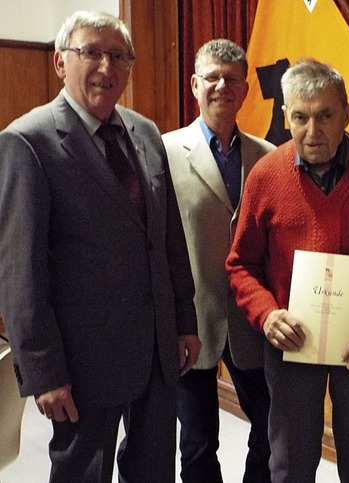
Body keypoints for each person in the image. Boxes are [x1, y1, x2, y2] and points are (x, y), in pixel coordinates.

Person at [0, 11, 201, 483]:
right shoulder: (27, 142)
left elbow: (168, 238)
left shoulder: (145, 132)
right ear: (59, 62)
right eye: (91, 52)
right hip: (81, 360)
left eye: (118, 56)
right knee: (81, 474)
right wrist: (43, 371)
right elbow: (19, 273)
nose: (106, 67)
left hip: (156, 348)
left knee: (153, 470)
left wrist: (185, 320)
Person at [226, 59, 349, 483]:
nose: (312, 131)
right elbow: (240, 264)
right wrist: (266, 315)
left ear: (347, 114)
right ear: (285, 117)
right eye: (300, 117)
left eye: (325, 116)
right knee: (289, 463)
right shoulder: (266, 175)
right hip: (292, 343)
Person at [162, 39, 274, 483]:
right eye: (212, 77)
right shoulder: (164, 150)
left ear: (245, 90)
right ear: (194, 84)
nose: (221, 86)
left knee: (269, 427)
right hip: (192, 321)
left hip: (251, 319)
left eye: (231, 79)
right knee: (197, 442)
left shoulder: (268, 156)